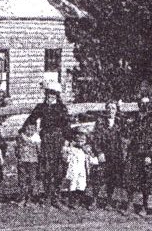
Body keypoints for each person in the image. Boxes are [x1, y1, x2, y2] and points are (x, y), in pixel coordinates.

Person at [21, 80, 72, 208]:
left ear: (57, 95)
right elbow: (30, 120)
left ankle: (56, 196)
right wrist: (23, 133)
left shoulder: (61, 108)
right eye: (48, 94)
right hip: (45, 140)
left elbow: (67, 127)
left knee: (59, 168)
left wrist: (66, 142)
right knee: (46, 168)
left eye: (53, 94)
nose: (50, 97)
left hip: (58, 140)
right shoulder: (41, 107)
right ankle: (47, 195)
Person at [122, 97, 152, 215]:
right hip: (134, 151)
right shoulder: (135, 118)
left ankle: (144, 205)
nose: (144, 106)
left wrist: (149, 155)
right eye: (142, 103)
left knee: (145, 179)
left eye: (146, 104)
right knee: (130, 177)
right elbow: (129, 133)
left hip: (146, 153)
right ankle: (130, 204)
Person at [90, 101, 124, 209]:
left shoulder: (119, 122)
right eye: (109, 108)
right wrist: (99, 152)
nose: (111, 110)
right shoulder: (100, 122)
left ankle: (109, 201)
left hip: (115, 154)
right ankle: (94, 200)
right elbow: (95, 139)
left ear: (116, 110)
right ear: (106, 110)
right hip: (103, 154)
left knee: (112, 178)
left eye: (113, 108)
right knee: (99, 177)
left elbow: (124, 138)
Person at [63, 128, 100, 209]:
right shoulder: (72, 149)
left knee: (81, 185)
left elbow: (93, 160)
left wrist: (92, 156)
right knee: (72, 185)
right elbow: (66, 158)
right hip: (73, 170)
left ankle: (78, 200)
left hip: (82, 171)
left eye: (82, 141)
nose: (80, 143)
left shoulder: (86, 151)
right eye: (78, 141)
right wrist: (67, 151)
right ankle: (71, 201)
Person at [15, 123, 41, 206]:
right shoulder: (20, 138)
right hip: (22, 161)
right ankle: (22, 197)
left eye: (32, 130)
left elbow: (39, 151)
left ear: (35, 130)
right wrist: (19, 157)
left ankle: (30, 198)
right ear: (24, 129)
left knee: (32, 180)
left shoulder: (36, 139)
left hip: (33, 162)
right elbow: (17, 149)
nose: (30, 132)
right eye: (28, 129)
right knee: (22, 180)